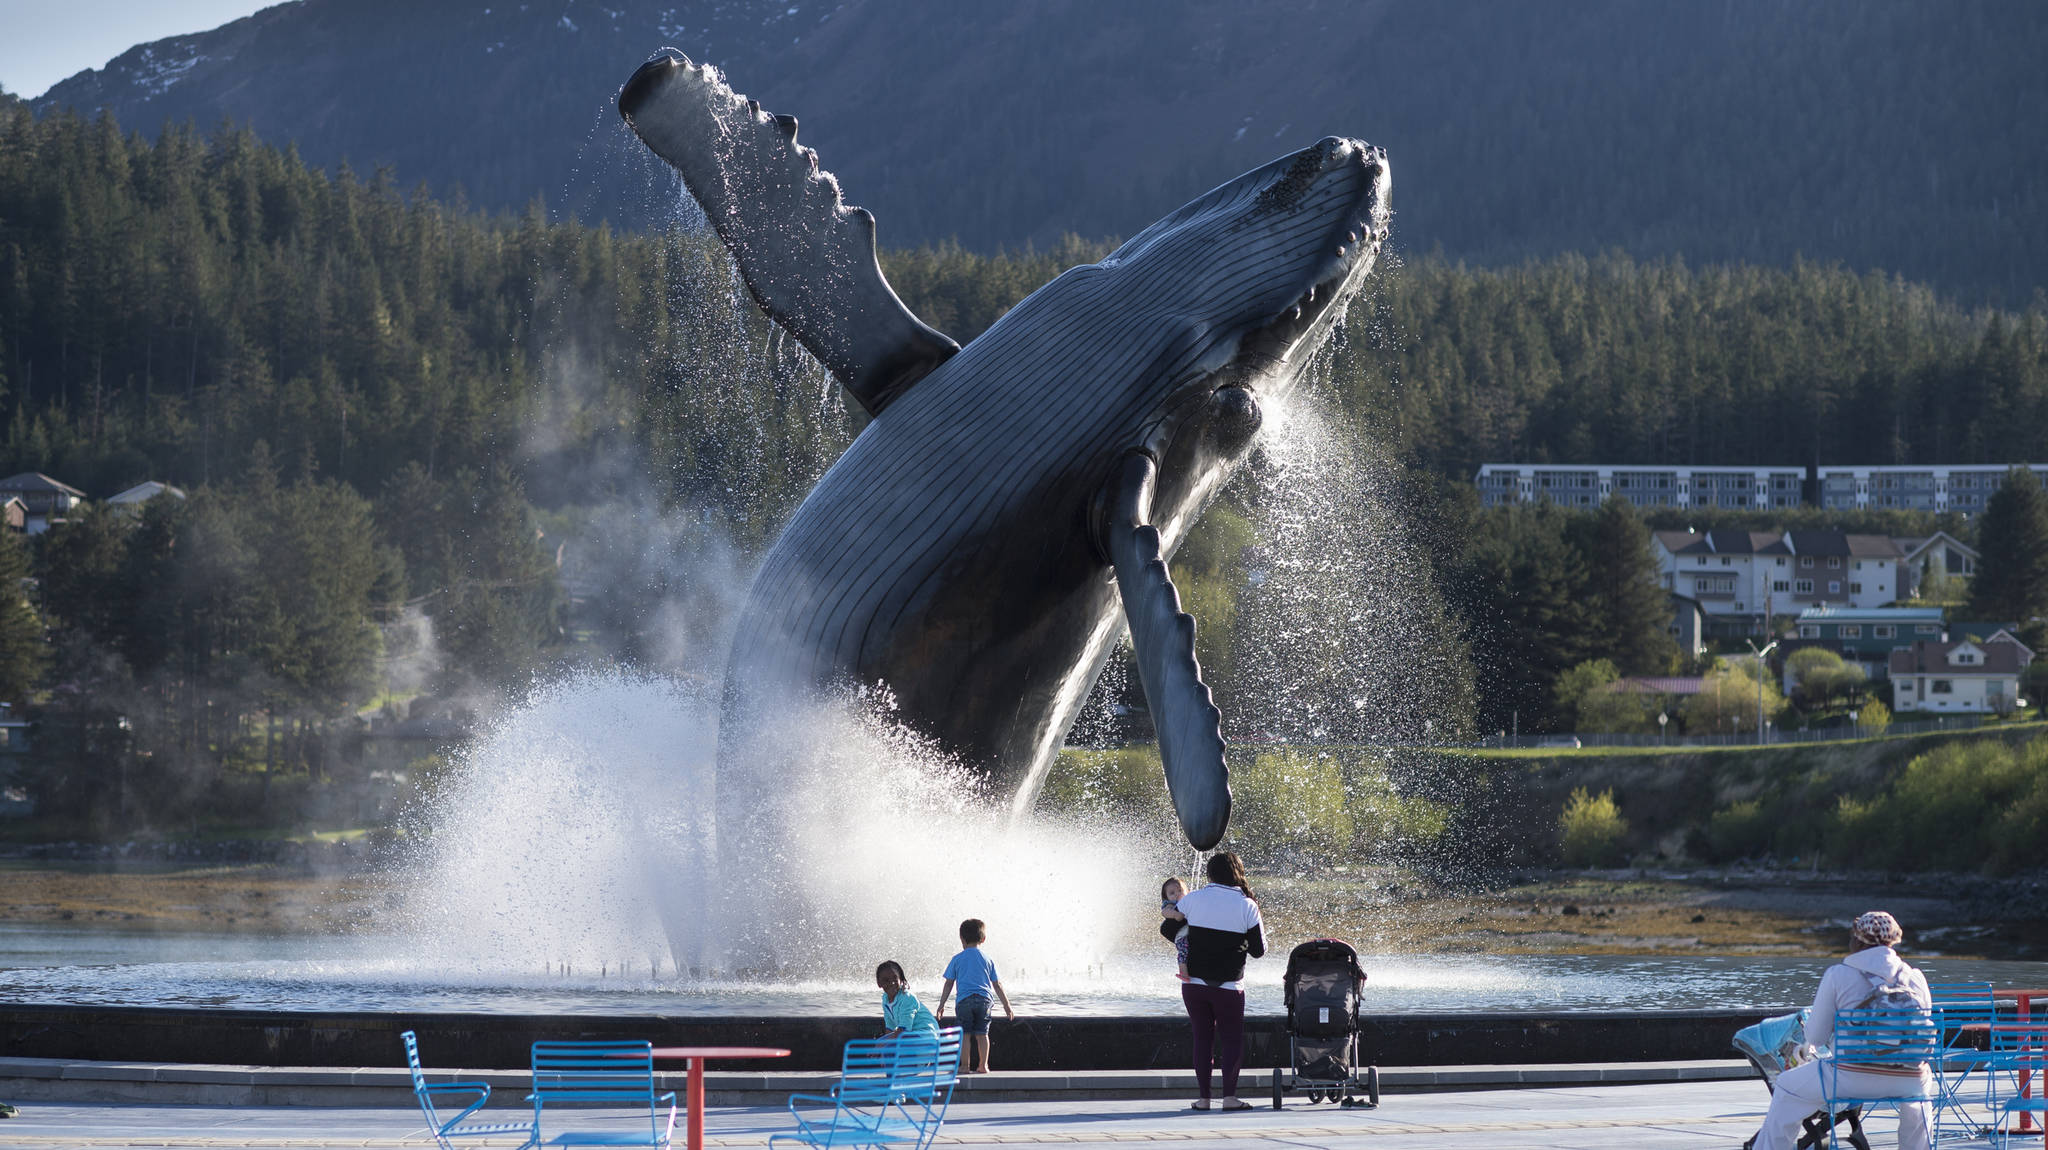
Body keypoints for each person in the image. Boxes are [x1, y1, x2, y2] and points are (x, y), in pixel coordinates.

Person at [1746, 911, 1933, 1150]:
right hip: (1909, 1078)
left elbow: (1815, 1037)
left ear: (1857, 939)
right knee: (1920, 1099)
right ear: (1894, 939)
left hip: (1851, 1076)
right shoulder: (1915, 977)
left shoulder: (1839, 974)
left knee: (1786, 1086)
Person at [1174, 852, 1265, 1111]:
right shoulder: (1247, 905)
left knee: (1202, 1039)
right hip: (1229, 986)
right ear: (1238, 873)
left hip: (1193, 983)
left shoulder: (1193, 899)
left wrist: (1197, 939)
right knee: (1231, 1040)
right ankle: (1229, 1098)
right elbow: (1259, 950)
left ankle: (1203, 1099)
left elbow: (1168, 930)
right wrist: (1236, 943)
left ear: (1210, 874)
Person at [935, 918, 1015, 1074]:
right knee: (982, 1033)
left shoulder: (957, 959)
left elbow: (949, 983)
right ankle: (983, 1065)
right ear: (983, 939)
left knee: (965, 1034)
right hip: (984, 1001)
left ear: (962, 939)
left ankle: (965, 1066)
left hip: (964, 1001)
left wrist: (941, 1005)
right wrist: (1007, 1006)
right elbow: (997, 984)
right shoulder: (988, 959)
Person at [876, 960, 939, 1038]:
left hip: (926, 1035)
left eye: (895, 978)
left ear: (901, 979)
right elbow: (890, 1029)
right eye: (886, 980)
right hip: (912, 1036)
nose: (891, 983)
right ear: (879, 983)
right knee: (881, 1042)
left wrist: (884, 1045)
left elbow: (903, 1030)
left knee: (886, 1044)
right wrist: (883, 1044)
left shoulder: (907, 998)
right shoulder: (885, 1000)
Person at [1160, 877, 1191, 981]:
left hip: (1191, 933)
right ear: (1167, 898)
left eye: (1180, 890)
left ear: (1188, 891)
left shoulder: (1191, 900)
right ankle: (1184, 974)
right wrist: (1175, 914)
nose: (1177, 894)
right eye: (1172, 893)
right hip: (1181, 936)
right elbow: (1165, 912)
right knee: (1183, 952)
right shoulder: (1170, 904)